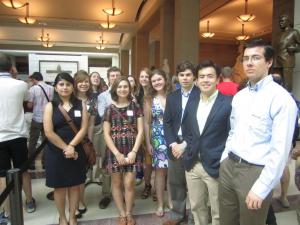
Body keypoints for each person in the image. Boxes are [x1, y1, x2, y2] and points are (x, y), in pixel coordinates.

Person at [219, 39, 298, 225]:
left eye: (256, 58)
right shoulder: (240, 96)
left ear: (269, 62)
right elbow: (233, 131)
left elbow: (280, 151)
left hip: (255, 172)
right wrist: (224, 158)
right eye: (246, 58)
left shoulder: (281, 100)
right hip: (230, 165)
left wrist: (262, 187)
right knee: (226, 221)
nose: (249, 63)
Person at [181, 60, 232, 225]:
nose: (205, 80)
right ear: (196, 81)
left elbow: (233, 133)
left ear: (218, 79)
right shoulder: (192, 101)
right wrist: (186, 148)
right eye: (201, 77)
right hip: (192, 164)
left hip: (216, 165)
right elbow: (187, 128)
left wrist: (223, 159)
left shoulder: (228, 103)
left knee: (218, 211)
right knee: (196, 207)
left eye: (210, 76)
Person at [43, 72, 88, 225]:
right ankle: (62, 217)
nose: (65, 87)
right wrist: (66, 148)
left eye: (68, 84)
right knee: (60, 187)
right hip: (55, 151)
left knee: (75, 185)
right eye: (61, 84)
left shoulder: (80, 104)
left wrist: (72, 146)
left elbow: (83, 128)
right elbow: (48, 132)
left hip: (76, 149)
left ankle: (73, 216)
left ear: (72, 87)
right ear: (55, 87)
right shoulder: (50, 106)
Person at [0, 53, 36, 225]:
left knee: (2, 176)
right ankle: (29, 200)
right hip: (18, 135)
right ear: (11, 68)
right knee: (24, 171)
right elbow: (27, 103)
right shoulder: (21, 85)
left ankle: (6, 212)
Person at [103, 76, 144, 225]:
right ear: (115, 89)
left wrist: (133, 152)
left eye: (125, 86)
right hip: (115, 151)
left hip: (133, 149)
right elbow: (106, 134)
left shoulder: (135, 107)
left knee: (129, 183)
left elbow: (140, 131)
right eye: (119, 87)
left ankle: (129, 212)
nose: (122, 89)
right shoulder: (110, 108)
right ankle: (121, 213)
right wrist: (117, 153)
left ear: (130, 88)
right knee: (116, 183)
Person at [163, 61, 199, 225]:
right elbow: (167, 122)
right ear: (177, 77)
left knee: (194, 184)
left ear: (194, 76)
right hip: (174, 146)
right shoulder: (172, 97)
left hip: (193, 145)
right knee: (176, 182)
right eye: (182, 75)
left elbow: (201, 124)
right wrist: (172, 143)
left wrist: (185, 144)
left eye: (188, 75)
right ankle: (177, 214)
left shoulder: (200, 94)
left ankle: (194, 217)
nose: (185, 78)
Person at [144, 69, 169, 217]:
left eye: (159, 79)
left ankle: (171, 201)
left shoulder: (173, 96)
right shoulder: (149, 99)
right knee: (159, 173)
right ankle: (160, 203)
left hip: (173, 137)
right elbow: (147, 123)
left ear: (165, 79)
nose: (157, 83)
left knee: (173, 173)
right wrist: (148, 143)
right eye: (154, 81)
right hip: (158, 138)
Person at [97, 66, 122, 209]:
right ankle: (106, 194)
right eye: (112, 75)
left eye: (117, 75)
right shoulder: (102, 96)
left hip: (125, 136)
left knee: (123, 164)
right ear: (108, 78)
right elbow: (102, 114)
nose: (114, 77)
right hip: (107, 134)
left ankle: (121, 192)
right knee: (107, 165)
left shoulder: (128, 94)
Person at [73, 70, 97, 219]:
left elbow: (92, 125)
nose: (84, 84)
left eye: (86, 81)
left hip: (84, 142)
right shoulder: (71, 98)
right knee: (71, 175)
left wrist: (89, 143)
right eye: (81, 81)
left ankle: (80, 201)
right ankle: (73, 205)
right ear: (76, 83)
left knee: (81, 175)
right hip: (70, 139)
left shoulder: (92, 101)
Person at [27, 72, 54, 170]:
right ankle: (45, 163)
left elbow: (29, 105)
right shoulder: (51, 88)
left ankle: (31, 164)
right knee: (46, 142)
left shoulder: (33, 89)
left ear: (34, 79)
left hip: (37, 118)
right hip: (48, 118)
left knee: (32, 142)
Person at [136, 68, 154, 200]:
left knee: (152, 161)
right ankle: (146, 184)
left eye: (146, 77)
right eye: (141, 76)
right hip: (138, 130)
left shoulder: (155, 93)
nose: (143, 79)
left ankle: (153, 186)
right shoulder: (136, 93)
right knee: (144, 161)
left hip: (152, 129)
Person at [274, 14, 300, 91]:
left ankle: (288, 99)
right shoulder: (278, 34)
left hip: (287, 60)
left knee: (287, 83)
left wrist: (294, 48)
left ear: (288, 22)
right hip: (277, 60)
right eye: (279, 21)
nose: (280, 23)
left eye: (282, 21)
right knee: (277, 81)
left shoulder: (294, 32)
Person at [89, 71, 105, 181]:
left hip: (100, 125)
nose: (96, 78)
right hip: (87, 126)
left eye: (98, 77)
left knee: (100, 153)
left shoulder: (102, 93)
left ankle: (98, 176)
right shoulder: (86, 92)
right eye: (94, 76)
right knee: (89, 151)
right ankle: (88, 177)